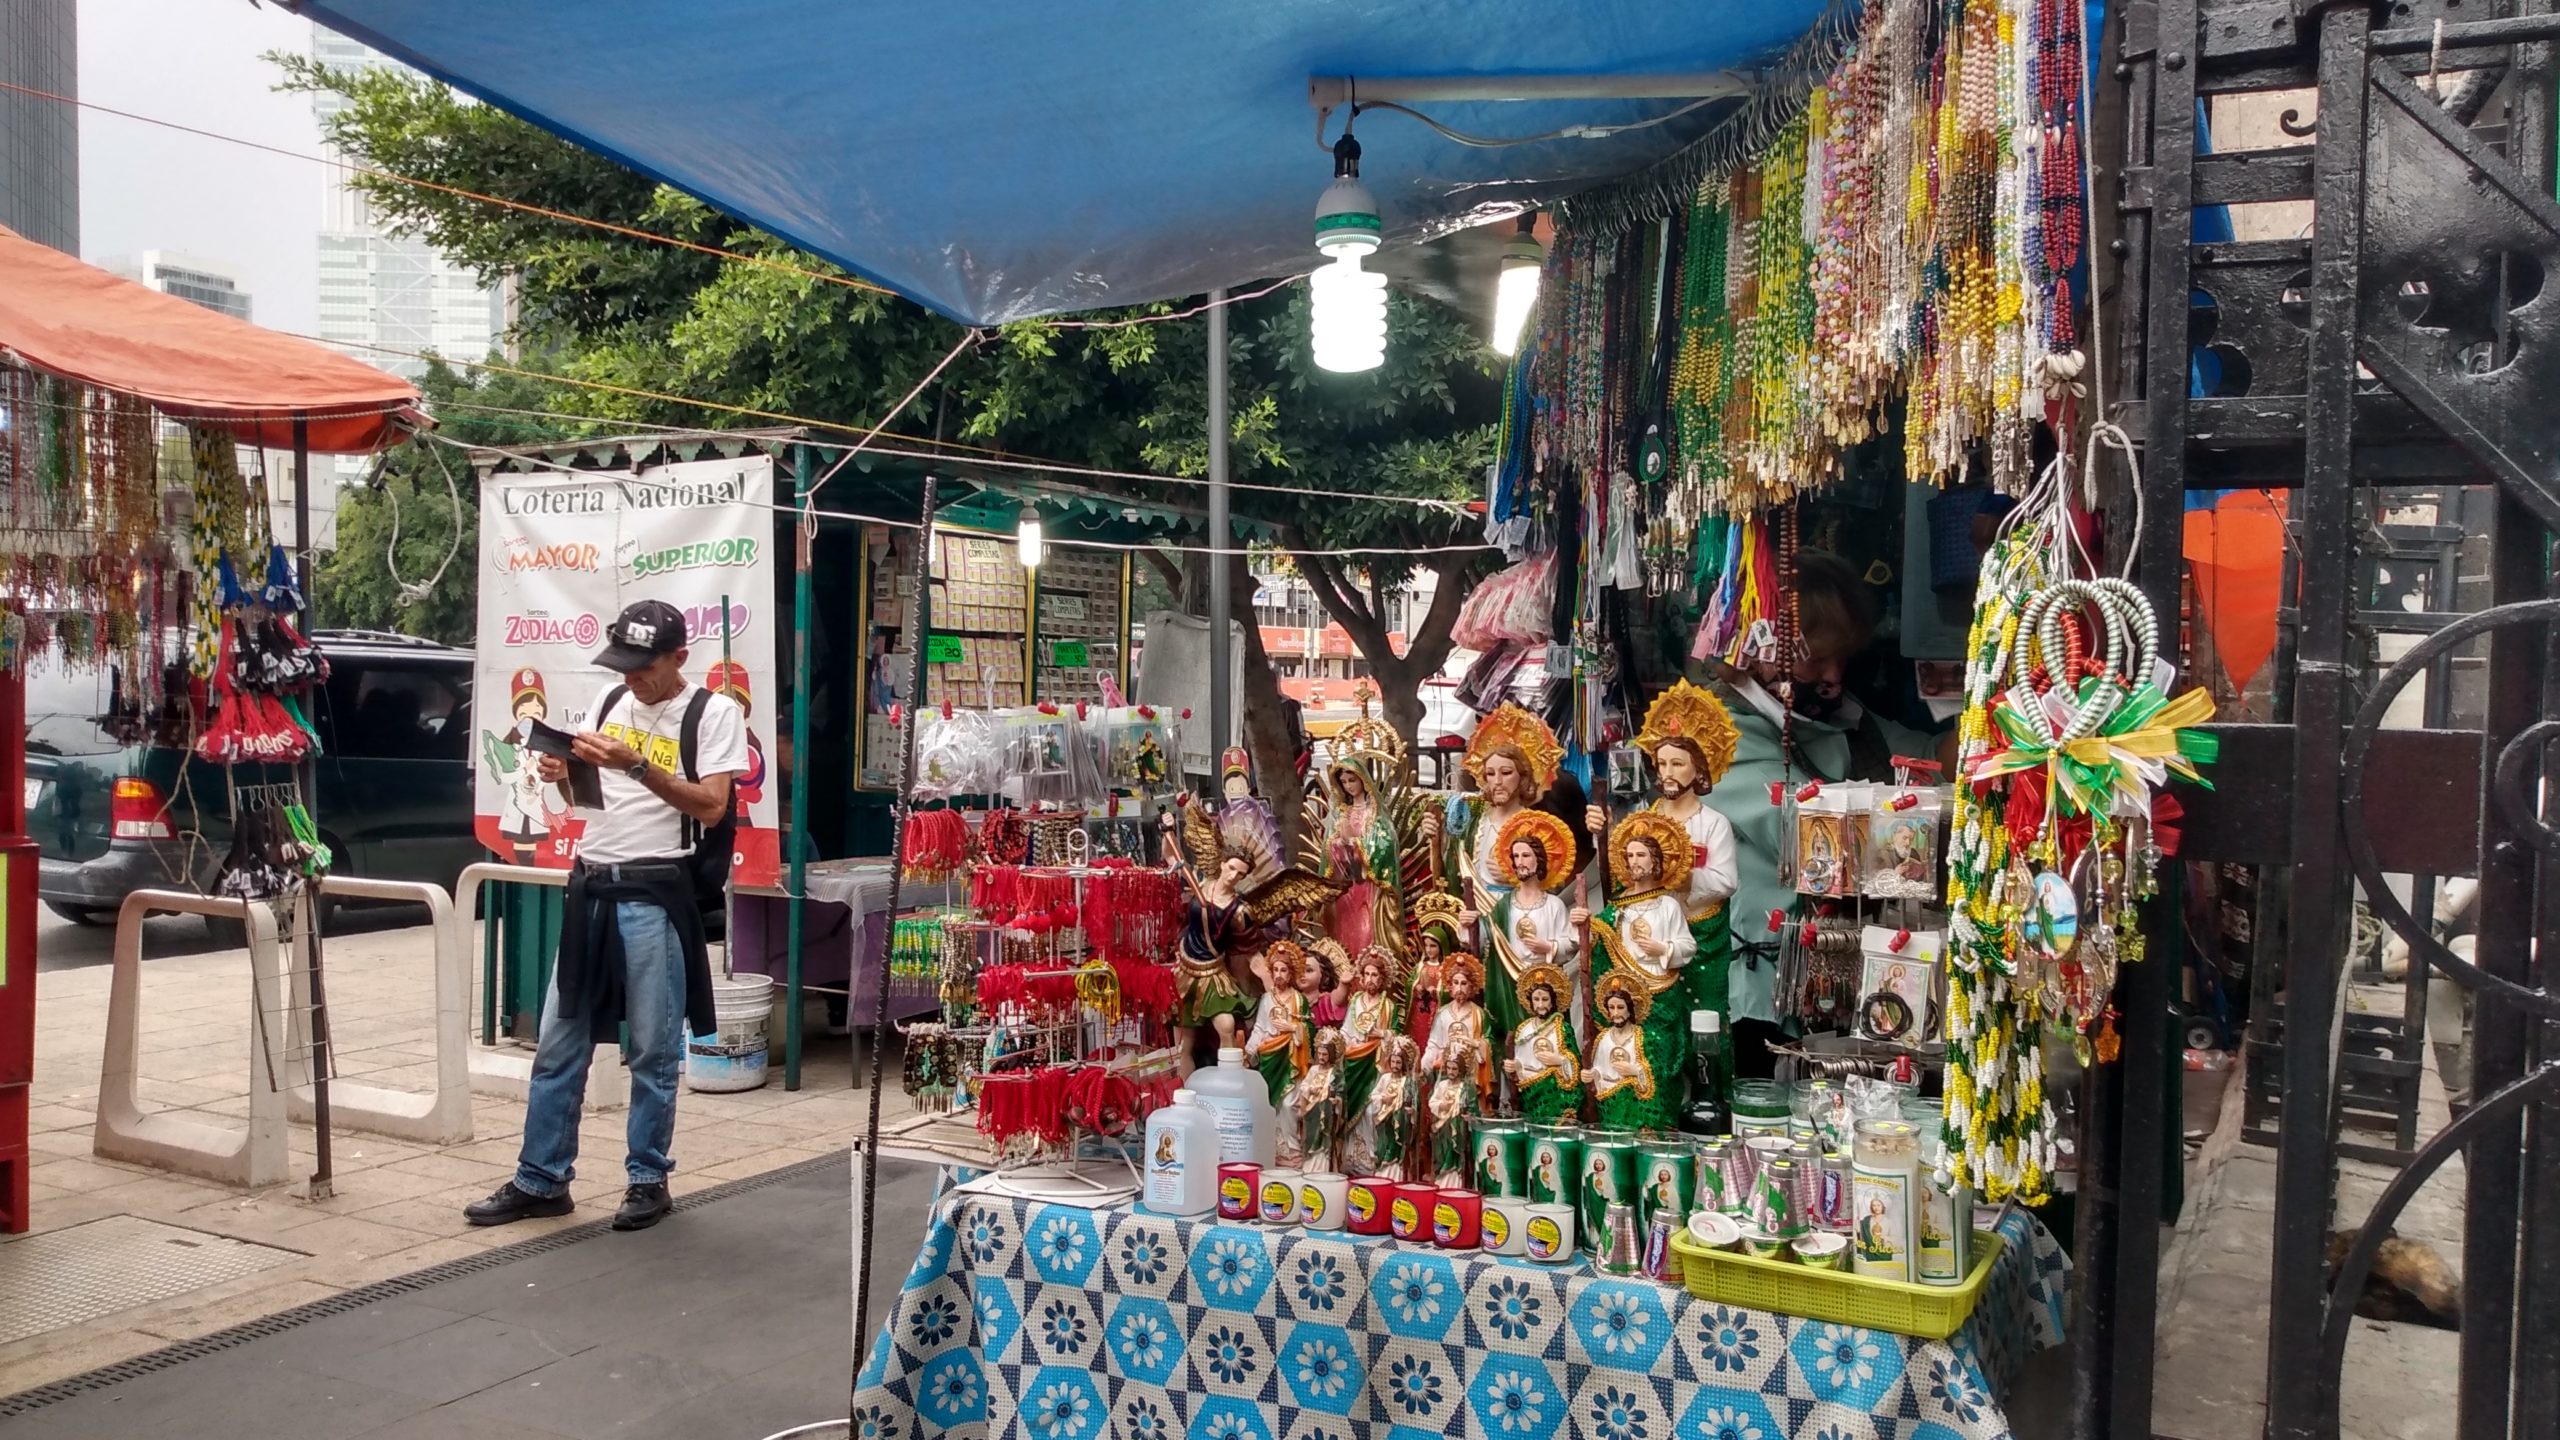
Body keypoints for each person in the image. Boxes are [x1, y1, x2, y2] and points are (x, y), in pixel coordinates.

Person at [464, 600, 747, 1232]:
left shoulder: (712, 712)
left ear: (678, 658)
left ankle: (648, 1178)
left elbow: (710, 806)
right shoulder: (608, 703)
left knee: (650, 1046)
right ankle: (542, 1177)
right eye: (621, 664)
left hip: (655, 888)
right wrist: (564, 772)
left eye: (641, 667)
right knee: (559, 1042)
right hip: (591, 881)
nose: (630, 679)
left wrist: (636, 763)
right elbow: (584, 800)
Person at [1700, 551, 1944, 1076]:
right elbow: (1815, 836)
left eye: (1843, 658)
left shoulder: (1844, 718)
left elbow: (1923, 754)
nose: (1833, 676)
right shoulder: (1720, 739)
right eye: (1816, 660)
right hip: (1768, 999)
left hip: (1845, 984)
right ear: (1760, 653)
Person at [1573, 815, 1697, 1131]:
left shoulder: (1667, 905)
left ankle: (1657, 1124)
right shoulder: (1620, 908)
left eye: (1640, 854)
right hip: (1625, 1001)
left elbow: (1687, 947)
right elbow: (1597, 937)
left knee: (1656, 1059)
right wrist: (1585, 922)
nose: (1634, 861)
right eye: (1629, 855)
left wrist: (1662, 949)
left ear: (1655, 861)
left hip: (1660, 998)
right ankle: (1622, 1120)